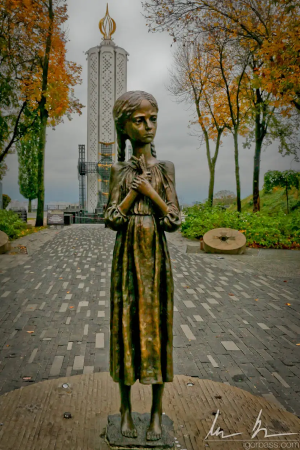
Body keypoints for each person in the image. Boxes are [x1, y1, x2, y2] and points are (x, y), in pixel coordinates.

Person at [105, 91, 181, 441]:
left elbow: (175, 220)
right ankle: (124, 411)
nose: (148, 126)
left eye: (152, 118)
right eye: (139, 120)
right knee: (126, 327)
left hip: (156, 256)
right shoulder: (118, 170)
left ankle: (155, 414)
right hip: (126, 257)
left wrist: (151, 194)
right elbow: (111, 219)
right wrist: (132, 194)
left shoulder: (166, 169)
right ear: (124, 126)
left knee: (158, 329)